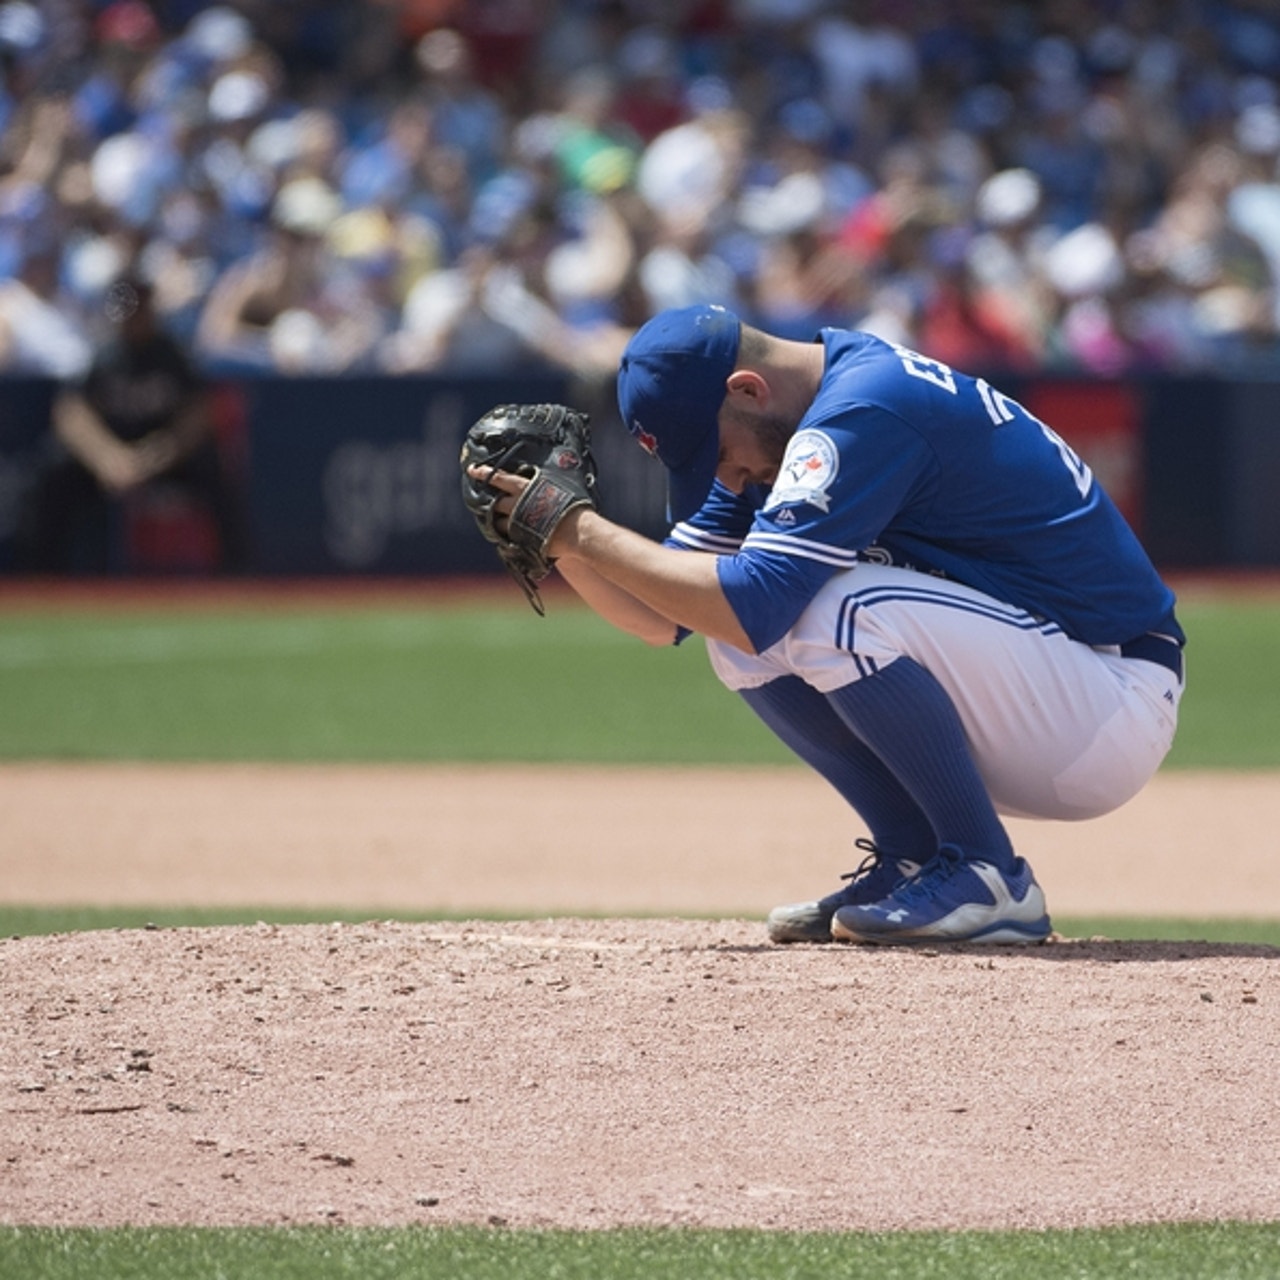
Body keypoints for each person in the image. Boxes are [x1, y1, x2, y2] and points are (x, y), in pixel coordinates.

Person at [470, 303, 1185, 946]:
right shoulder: (779, 429)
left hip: (1107, 692)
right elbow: (669, 618)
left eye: (717, 454)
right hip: (1036, 688)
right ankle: (914, 858)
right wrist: (561, 544)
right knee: (739, 631)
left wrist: (585, 531)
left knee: (817, 610)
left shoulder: (865, 408)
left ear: (748, 389)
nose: (730, 478)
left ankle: (988, 873)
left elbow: (753, 603)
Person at [23, 276, 249, 573]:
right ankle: (43, 576)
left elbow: (199, 412)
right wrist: (108, 458)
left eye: (140, 305)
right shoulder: (102, 353)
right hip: (109, 459)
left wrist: (159, 455)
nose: (135, 314)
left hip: (164, 455)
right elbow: (71, 413)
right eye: (126, 306)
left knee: (215, 472)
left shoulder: (171, 354)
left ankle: (239, 575)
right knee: (52, 473)